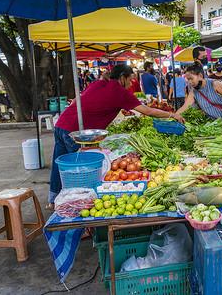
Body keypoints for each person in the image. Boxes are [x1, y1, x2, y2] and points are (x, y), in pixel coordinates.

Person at [47, 64, 185, 209]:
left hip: (61, 124)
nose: (131, 83)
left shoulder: (98, 83)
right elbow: (147, 111)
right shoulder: (120, 92)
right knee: (80, 173)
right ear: (122, 78)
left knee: (60, 165)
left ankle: (53, 201)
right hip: (76, 133)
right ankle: (77, 207)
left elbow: (78, 99)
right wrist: (172, 114)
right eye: (130, 79)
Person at [176, 63, 222, 131]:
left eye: (191, 78)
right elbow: (184, 107)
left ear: (200, 75)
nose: (190, 82)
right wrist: (173, 116)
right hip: (217, 127)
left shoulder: (215, 84)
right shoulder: (193, 92)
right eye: (188, 79)